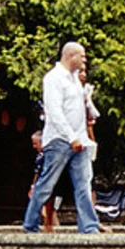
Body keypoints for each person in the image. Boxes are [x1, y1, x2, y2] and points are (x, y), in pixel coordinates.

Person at [22, 41, 101, 234]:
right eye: (82, 56)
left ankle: (89, 227)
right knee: (47, 183)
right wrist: (70, 136)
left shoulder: (75, 79)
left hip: (79, 140)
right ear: (70, 56)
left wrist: (82, 137)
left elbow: (79, 110)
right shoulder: (53, 78)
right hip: (59, 139)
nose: (85, 59)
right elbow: (54, 111)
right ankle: (30, 224)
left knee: (83, 184)